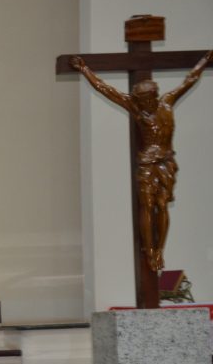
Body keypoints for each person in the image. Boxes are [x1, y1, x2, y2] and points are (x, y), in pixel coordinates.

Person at [70, 50, 213, 272]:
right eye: (140, 100)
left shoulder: (167, 103)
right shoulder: (135, 108)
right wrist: (84, 69)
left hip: (166, 161)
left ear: (154, 96)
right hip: (146, 163)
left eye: (146, 99)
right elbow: (106, 89)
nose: (143, 103)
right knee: (146, 205)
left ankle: (159, 249)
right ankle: (149, 249)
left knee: (162, 205)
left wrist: (204, 61)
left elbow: (190, 80)